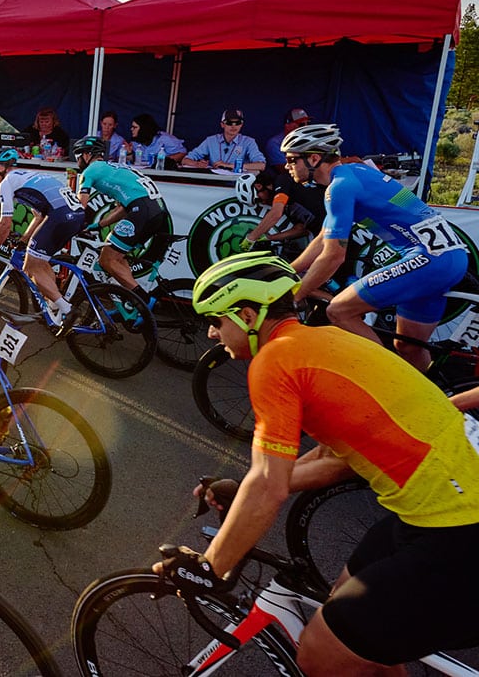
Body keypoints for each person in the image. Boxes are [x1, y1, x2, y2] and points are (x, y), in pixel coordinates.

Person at [157, 252, 479, 676]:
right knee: (344, 616)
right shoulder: (324, 341)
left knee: (320, 654)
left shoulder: (274, 363)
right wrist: (244, 491)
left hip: (459, 527)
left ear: (249, 315)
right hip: (438, 510)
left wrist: (209, 567)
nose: (213, 333)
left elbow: (267, 485)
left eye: (217, 320)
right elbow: (335, 459)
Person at [283, 123, 466, 371]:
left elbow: (334, 255)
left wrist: (294, 295)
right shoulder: (355, 172)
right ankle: (426, 395)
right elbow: (324, 237)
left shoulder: (339, 188)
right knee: (410, 348)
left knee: (339, 310)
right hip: (448, 258)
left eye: (292, 159)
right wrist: (288, 270)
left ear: (314, 158)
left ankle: (389, 377)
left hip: (428, 260)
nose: (287, 166)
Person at [0, 148, 84, 324]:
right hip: (76, 215)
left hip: (60, 216)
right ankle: (54, 304)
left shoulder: (7, 182)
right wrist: (23, 241)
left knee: (29, 267)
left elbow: (5, 223)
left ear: (0, 167)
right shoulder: (29, 175)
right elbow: (38, 217)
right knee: (40, 260)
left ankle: (66, 309)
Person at [74, 135, 168, 297]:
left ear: (87, 154)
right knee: (117, 258)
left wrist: (70, 223)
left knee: (106, 259)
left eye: (78, 156)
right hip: (156, 211)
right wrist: (99, 225)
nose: (77, 161)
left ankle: (141, 301)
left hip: (142, 210)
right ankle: (132, 307)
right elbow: (124, 209)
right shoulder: (116, 168)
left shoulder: (90, 171)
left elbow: (79, 206)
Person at [180, 108, 266, 173]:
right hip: (213, 182)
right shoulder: (211, 140)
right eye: (229, 123)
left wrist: (230, 166)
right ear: (222, 124)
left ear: (241, 125)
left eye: (237, 123)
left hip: (237, 184)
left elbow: (261, 165)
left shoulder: (248, 142)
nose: (233, 126)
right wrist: (197, 164)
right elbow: (185, 160)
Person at [265, 107, 311, 172]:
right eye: (302, 124)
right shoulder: (274, 143)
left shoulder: (309, 139)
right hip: (289, 178)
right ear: (287, 125)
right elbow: (283, 168)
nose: (305, 127)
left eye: (308, 123)